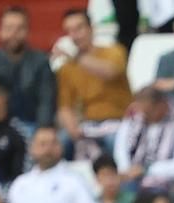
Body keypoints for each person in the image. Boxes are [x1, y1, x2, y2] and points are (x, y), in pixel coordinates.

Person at [55, 9, 131, 159]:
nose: (74, 35)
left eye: (79, 28)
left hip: (119, 122)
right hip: (87, 125)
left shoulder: (114, 51)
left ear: (91, 29)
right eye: (69, 30)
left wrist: (76, 57)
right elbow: (65, 106)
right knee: (58, 143)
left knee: (114, 141)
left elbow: (110, 71)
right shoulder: (66, 68)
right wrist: (73, 130)